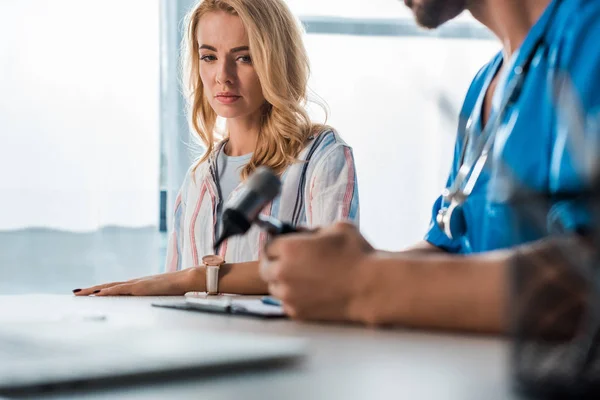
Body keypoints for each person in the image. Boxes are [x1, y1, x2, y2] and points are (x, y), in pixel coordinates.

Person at [260, 0, 600, 333]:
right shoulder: (485, 85)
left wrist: (364, 282)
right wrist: (334, 270)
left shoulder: (590, 34)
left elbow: (588, 277)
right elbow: (450, 247)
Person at [73, 0, 359, 297]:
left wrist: (199, 277)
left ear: (277, 61)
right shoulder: (197, 180)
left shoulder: (321, 158)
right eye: (209, 56)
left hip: (285, 344)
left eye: (245, 58)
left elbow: (334, 269)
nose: (223, 75)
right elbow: (176, 291)